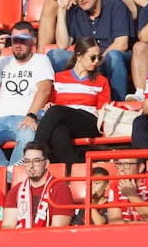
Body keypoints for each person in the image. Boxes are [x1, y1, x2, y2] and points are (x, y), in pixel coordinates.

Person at [0, 22, 53, 168]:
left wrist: (31, 115)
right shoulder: (3, 61)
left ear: (33, 40)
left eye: (23, 40)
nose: (18, 44)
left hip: (25, 118)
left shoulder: (41, 60)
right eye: (14, 40)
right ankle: (8, 174)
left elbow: (44, 90)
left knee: (28, 137)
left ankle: (10, 177)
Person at [47, 0, 133, 100]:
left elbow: (122, 44)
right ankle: (62, 99)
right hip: (87, 60)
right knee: (54, 55)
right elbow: (62, 45)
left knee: (113, 56)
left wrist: (95, 60)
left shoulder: (115, 5)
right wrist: (61, 9)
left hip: (112, 58)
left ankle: (117, 103)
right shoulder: (76, 12)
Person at [35, 37, 112, 167]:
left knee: (56, 111)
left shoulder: (101, 81)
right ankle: (75, 169)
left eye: (99, 58)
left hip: (89, 122)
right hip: (63, 119)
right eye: (92, 57)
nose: (96, 62)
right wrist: (48, 105)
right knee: (59, 131)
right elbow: (49, 104)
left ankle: (34, 153)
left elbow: (102, 110)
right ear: (79, 56)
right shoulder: (58, 78)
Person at [2, 145, 74, 228]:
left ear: (46, 164)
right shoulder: (16, 190)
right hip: (20, 239)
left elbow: (58, 229)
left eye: (36, 161)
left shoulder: (60, 189)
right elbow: (8, 225)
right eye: (27, 161)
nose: (31, 165)